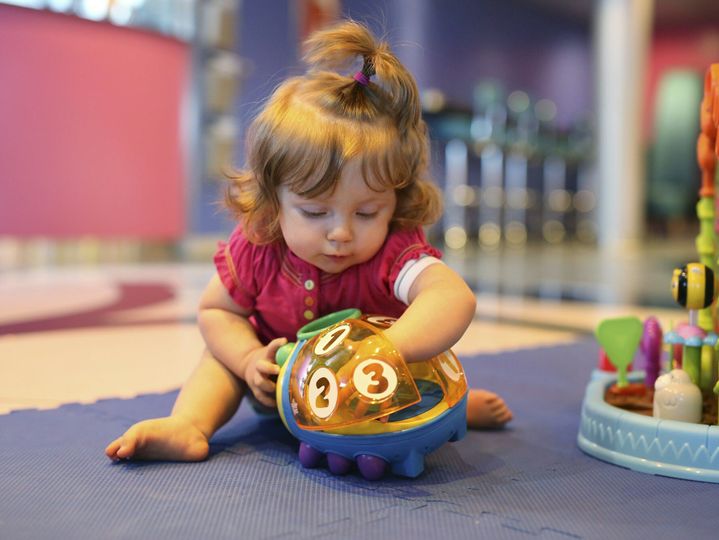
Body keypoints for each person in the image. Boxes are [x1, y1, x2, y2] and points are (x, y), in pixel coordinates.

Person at [105, 20, 512, 463]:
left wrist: (389, 351)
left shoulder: (394, 253)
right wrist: (246, 359)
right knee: (218, 361)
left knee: (425, 359)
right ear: (272, 202)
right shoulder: (259, 244)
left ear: (396, 202)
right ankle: (188, 425)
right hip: (277, 380)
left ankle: (445, 410)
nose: (341, 232)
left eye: (367, 212)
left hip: (372, 387)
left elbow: (452, 297)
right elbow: (216, 310)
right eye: (315, 212)